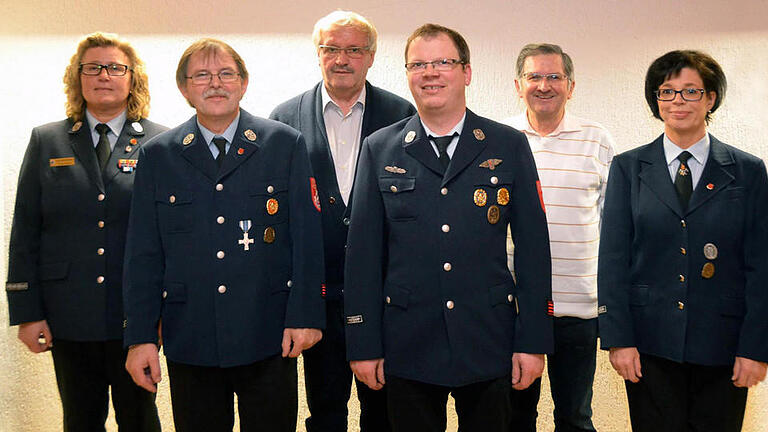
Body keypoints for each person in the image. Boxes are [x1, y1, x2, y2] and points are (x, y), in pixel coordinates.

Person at [344, 23, 553, 432]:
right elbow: (363, 255)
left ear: (467, 72)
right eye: (418, 64)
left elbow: (533, 249)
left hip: (488, 337)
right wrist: (363, 343)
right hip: (407, 341)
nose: (430, 73)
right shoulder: (380, 148)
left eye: (443, 62)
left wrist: (532, 342)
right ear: (407, 74)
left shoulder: (506, 144)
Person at [122, 38, 325, 432]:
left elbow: (307, 239)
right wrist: (140, 338)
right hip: (190, 335)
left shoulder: (283, 144)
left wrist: (305, 316)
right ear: (183, 88)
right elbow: (143, 254)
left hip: (268, 334)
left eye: (225, 74)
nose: (214, 84)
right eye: (201, 75)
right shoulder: (158, 155)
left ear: (243, 83)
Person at [598, 50, 768, 432]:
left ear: (710, 99)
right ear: (655, 101)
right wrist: (618, 340)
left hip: (723, 345)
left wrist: (756, 348)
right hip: (648, 345)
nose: (678, 101)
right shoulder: (628, 168)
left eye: (691, 91)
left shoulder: (747, 171)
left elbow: (761, 265)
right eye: (667, 92)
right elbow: (613, 259)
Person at [5, 32, 165, 432]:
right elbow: (26, 228)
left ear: (132, 79)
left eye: (115, 67)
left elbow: (172, 236)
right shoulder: (48, 140)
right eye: (91, 67)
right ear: (77, 78)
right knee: (79, 418)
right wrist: (28, 312)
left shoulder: (161, 142)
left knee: (140, 419)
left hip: (136, 315)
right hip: (68, 312)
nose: (103, 75)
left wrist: (168, 310)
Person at [270, 10, 415, 432]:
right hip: (318, 293)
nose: (342, 59)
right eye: (331, 49)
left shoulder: (401, 113)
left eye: (354, 49)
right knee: (325, 410)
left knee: (384, 409)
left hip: (385, 293)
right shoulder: (285, 118)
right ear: (318, 55)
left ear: (371, 57)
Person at [504, 43, 614, 432]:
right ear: (518, 85)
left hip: (579, 306)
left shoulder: (596, 139)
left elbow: (611, 225)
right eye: (535, 76)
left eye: (554, 76)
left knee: (575, 417)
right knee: (515, 418)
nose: (544, 85)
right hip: (514, 307)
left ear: (571, 86)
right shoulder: (500, 140)